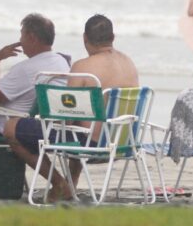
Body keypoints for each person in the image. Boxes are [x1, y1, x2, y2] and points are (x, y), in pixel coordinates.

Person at [0, 14, 72, 200]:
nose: (20, 41)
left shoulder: (25, 69)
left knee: (4, 126)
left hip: (23, 124)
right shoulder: (61, 61)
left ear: (32, 37)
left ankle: (59, 184)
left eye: (22, 35)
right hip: (57, 123)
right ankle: (61, 184)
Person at [60, 14, 141, 196]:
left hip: (94, 144)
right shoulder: (129, 63)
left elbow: (68, 114)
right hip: (125, 141)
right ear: (113, 38)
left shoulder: (82, 67)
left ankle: (60, 184)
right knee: (84, 122)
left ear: (84, 38)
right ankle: (69, 184)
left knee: (22, 130)